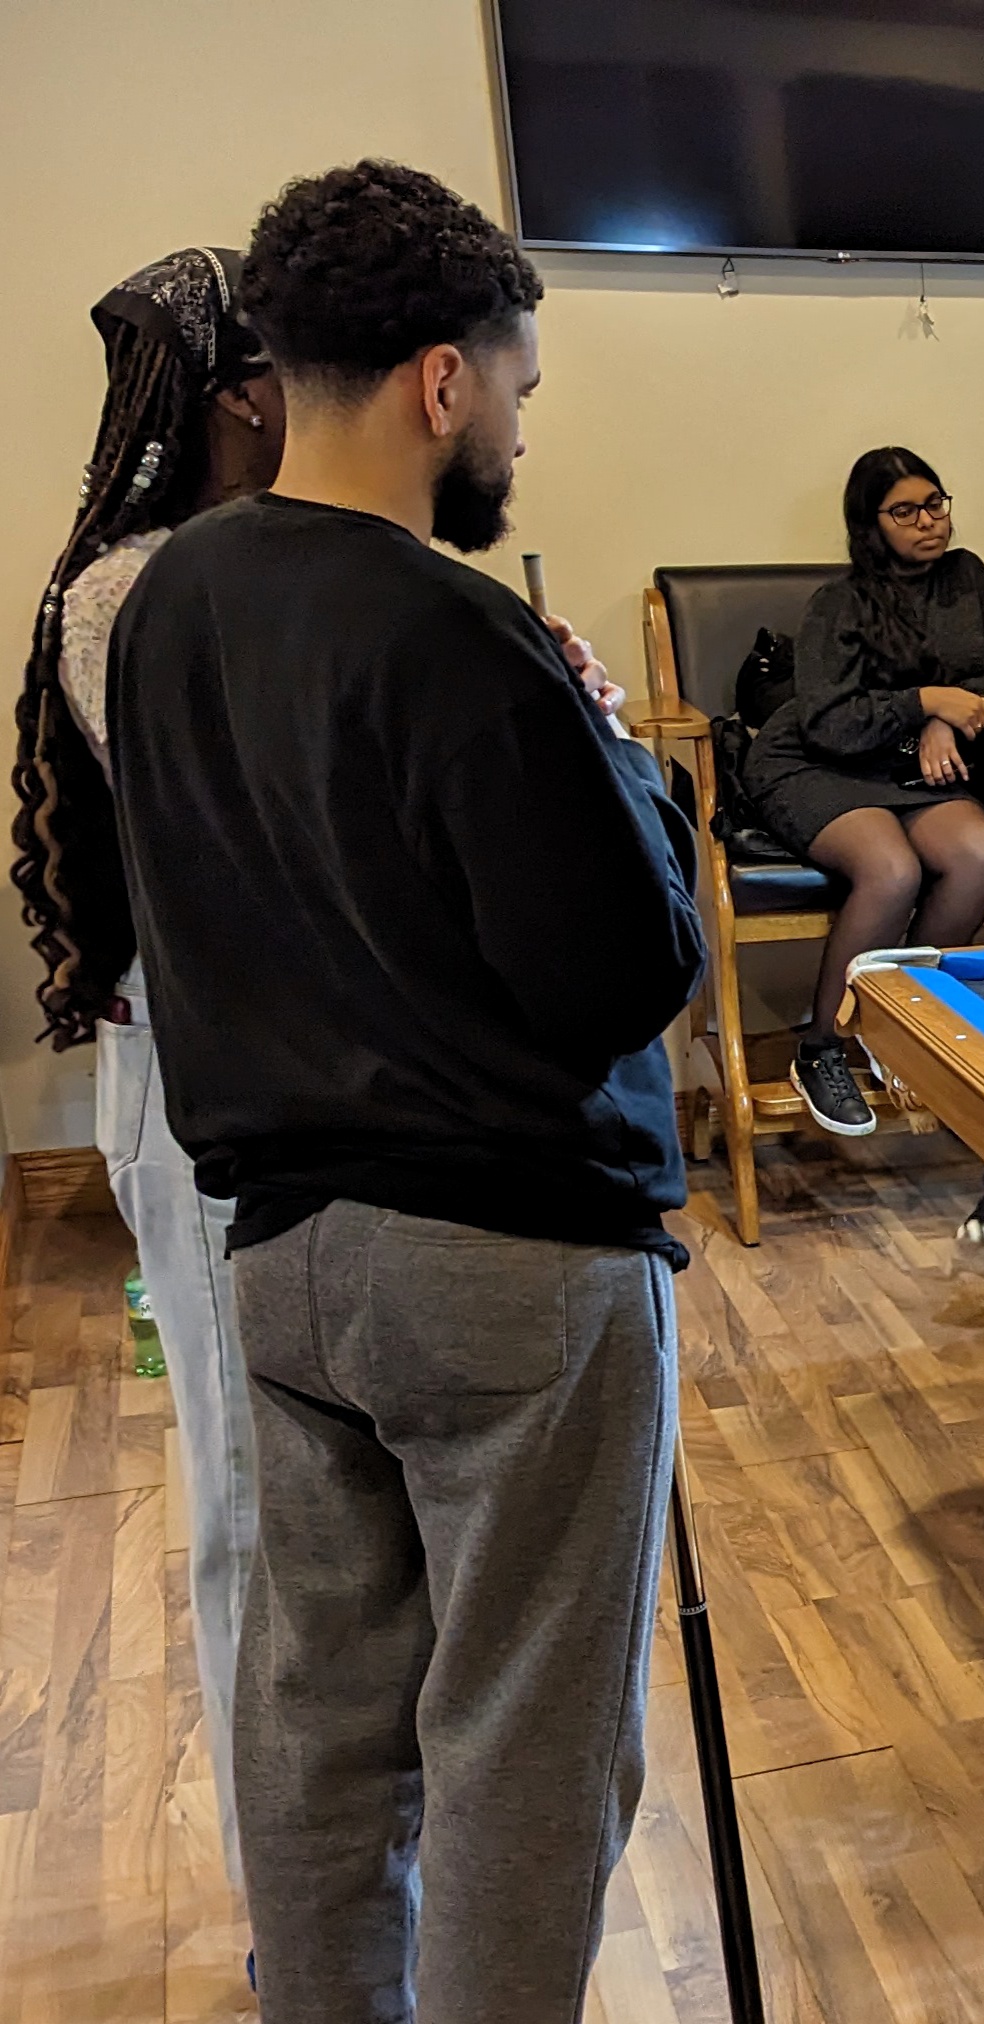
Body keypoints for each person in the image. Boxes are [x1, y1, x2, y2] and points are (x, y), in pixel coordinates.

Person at [109, 159, 702, 2019]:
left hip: (277, 1257)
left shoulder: (165, 606)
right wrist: (622, 762)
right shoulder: (461, 628)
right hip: (509, 1269)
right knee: (528, 1740)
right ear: (444, 382)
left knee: (328, 1726)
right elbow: (623, 968)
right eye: (517, 384)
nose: (516, 422)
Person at [6, 246, 281, 1902]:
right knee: (249, 1487)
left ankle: (344, 1863)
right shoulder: (133, 589)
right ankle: (289, 1918)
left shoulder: (247, 564)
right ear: (245, 389)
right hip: (196, 1083)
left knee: (321, 1497)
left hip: (280, 1076)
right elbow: (250, 831)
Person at [739, 446, 984, 1136]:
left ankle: (900, 1030)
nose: (928, 522)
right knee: (891, 870)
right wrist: (926, 703)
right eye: (905, 511)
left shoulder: (967, 577)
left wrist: (945, 720)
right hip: (816, 762)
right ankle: (822, 1047)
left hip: (908, 769)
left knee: (981, 855)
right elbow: (831, 721)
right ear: (870, 524)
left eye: (935, 503)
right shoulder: (840, 602)